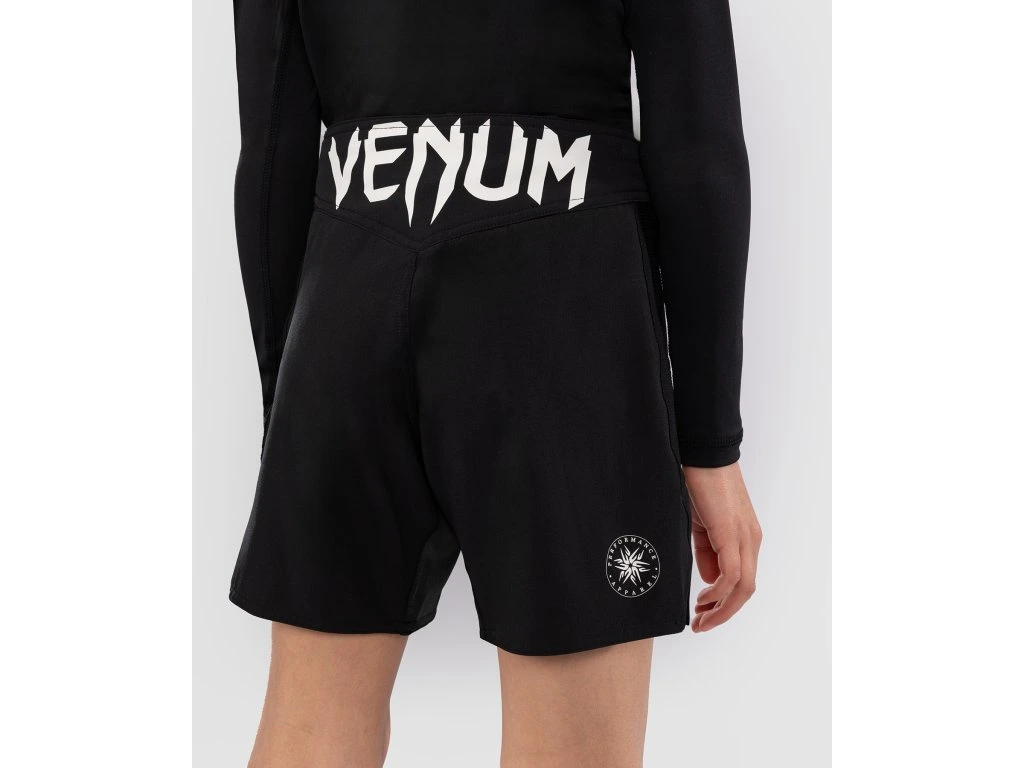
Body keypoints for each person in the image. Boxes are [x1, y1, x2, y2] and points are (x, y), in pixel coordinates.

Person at [228, 0, 762, 765]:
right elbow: (698, 146)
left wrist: (288, 412)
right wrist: (709, 443)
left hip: (350, 295)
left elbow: (272, 153)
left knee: (312, 722)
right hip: (563, 310)